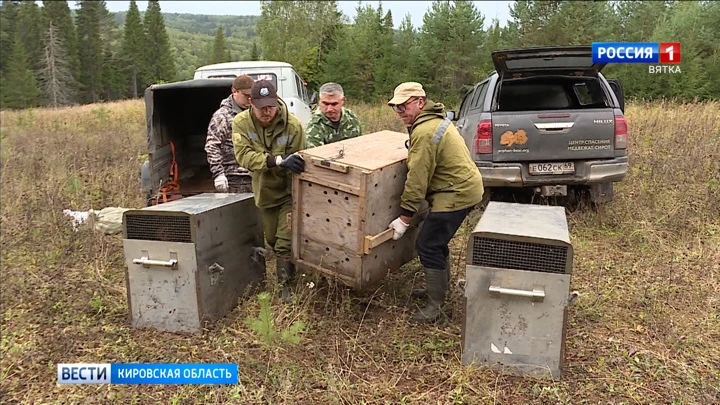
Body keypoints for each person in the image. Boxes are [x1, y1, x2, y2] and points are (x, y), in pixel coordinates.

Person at [386, 82, 484, 323]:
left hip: (455, 194)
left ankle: (436, 305)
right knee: (437, 241)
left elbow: (417, 179)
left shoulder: (425, 131)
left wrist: (404, 218)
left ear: (420, 102)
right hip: (463, 188)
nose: (400, 112)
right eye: (396, 107)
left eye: (404, 106)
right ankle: (438, 290)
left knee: (427, 244)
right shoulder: (432, 120)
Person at [232, 80, 306, 302]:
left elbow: (303, 159)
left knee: (284, 240)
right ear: (251, 102)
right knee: (272, 239)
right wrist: (278, 161)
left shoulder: (293, 126)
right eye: (262, 106)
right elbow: (243, 156)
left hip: (288, 192)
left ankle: (286, 287)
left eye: (271, 106)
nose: (267, 112)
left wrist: (295, 163)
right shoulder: (241, 123)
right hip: (264, 192)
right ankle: (292, 265)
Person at [206, 75, 255, 193]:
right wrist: (218, 174)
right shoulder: (222, 116)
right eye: (246, 96)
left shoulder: (256, 112)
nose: (249, 100)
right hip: (234, 177)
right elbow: (212, 146)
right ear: (234, 92)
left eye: (251, 96)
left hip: (257, 173)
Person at [305, 82, 362, 148]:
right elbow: (315, 155)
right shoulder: (314, 125)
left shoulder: (351, 118)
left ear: (342, 101)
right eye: (325, 104)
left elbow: (359, 146)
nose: (329, 109)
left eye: (334, 104)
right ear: (319, 101)